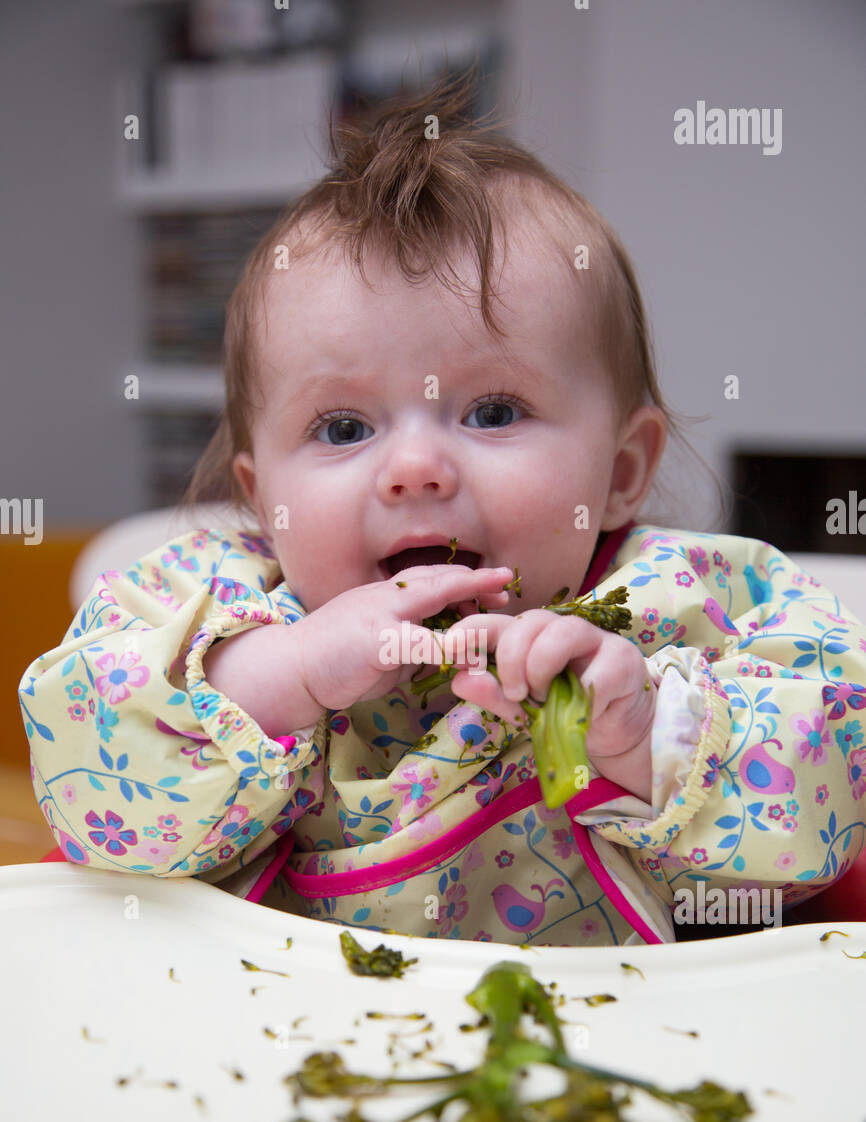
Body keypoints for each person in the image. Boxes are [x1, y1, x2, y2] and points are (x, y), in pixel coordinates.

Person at [19, 71, 866, 948]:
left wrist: (649, 736)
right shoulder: (209, 612)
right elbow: (87, 782)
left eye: (493, 412)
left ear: (621, 470)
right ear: (260, 497)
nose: (416, 468)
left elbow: (829, 807)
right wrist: (281, 675)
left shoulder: (696, 605)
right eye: (343, 426)